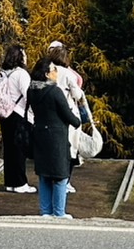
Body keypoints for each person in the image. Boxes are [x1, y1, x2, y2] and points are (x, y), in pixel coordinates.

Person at [27, 55, 81, 219]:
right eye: (54, 70)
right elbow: (68, 116)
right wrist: (78, 120)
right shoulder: (55, 91)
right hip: (57, 136)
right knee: (60, 175)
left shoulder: (32, 90)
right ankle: (59, 212)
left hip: (40, 134)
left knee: (44, 175)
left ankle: (46, 211)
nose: (56, 73)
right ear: (46, 74)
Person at [48, 40, 91, 193]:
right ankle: (64, 181)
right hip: (68, 112)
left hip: (51, 114)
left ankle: (54, 180)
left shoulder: (48, 71)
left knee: (55, 148)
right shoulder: (67, 73)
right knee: (70, 148)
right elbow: (78, 94)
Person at [0, 44, 35, 194]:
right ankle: (20, 183)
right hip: (18, 113)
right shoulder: (21, 74)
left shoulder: (2, 73)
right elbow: (28, 95)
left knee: (9, 150)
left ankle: (10, 182)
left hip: (4, 114)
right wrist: (33, 114)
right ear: (20, 57)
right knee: (19, 149)